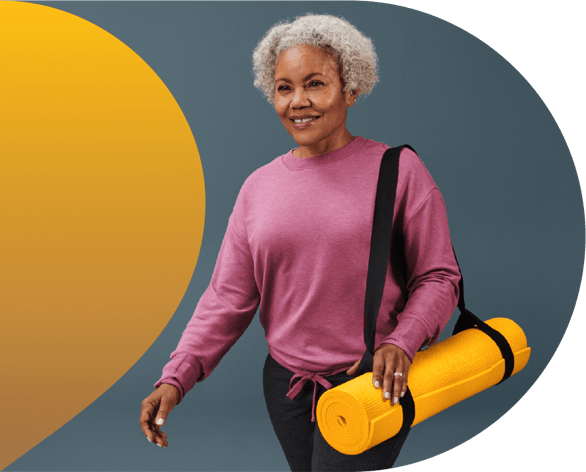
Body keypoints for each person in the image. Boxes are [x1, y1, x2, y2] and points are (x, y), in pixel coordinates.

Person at [140, 13, 461, 471]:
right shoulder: (258, 187)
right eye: (284, 87)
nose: (298, 102)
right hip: (285, 387)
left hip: (371, 379)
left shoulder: (398, 170)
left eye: (314, 83)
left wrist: (402, 343)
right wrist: (175, 378)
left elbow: (439, 275)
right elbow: (228, 298)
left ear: (350, 89)